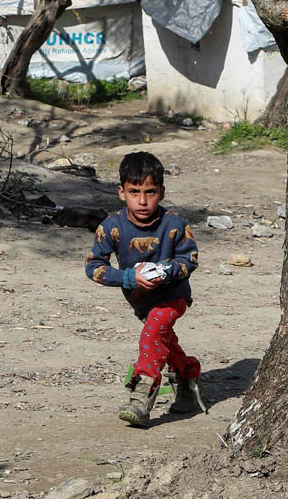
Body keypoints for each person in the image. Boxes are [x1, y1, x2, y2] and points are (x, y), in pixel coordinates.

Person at [85, 151, 202, 427]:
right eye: (134, 191)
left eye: (150, 192)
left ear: (161, 192)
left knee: (152, 334)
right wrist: (128, 277)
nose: (142, 200)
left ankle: (142, 393)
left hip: (173, 296)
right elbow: (94, 268)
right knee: (163, 339)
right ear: (121, 192)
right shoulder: (111, 227)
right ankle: (187, 375)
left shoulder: (175, 225)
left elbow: (190, 260)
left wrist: (166, 271)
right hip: (141, 301)